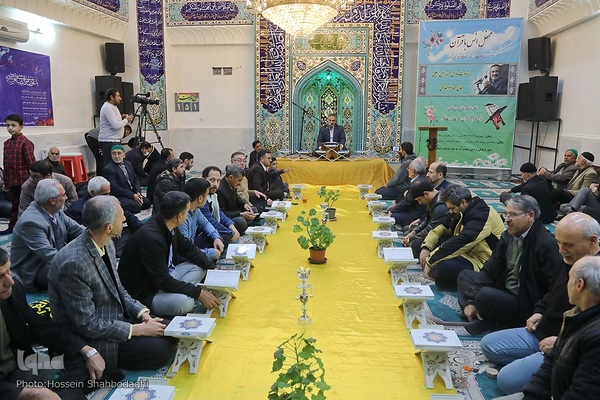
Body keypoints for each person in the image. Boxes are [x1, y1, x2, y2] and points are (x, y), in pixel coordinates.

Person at [48, 195, 176, 371]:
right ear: (109, 227)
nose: (125, 220)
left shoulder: (106, 243)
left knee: (172, 331)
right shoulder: (74, 264)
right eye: (121, 217)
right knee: (161, 350)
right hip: (91, 337)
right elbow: (86, 324)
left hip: (115, 316)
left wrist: (143, 314)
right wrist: (137, 330)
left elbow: (118, 288)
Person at [481, 212, 600, 395]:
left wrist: (560, 343)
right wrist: (540, 311)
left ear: (592, 241)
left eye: (568, 244)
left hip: (566, 346)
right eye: (558, 243)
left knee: (506, 380)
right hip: (543, 331)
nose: (560, 250)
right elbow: (552, 291)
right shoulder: (570, 259)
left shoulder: (594, 273)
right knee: (488, 345)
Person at [0, 248, 113, 399]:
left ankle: (61, 392)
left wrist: (86, 350)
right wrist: (26, 393)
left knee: (85, 360)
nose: (10, 281)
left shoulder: (13, 291)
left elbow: (40, 326)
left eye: (9, 271)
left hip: (21, 367)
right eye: (0, 276)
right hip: (5, 386)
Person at [457, 195, 562, 335]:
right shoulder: (508, 236)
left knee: (484, 295)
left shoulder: (545, 243)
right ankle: (484, 316)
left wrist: (540, 311)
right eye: (505, 214)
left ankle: (490, 320)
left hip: (525, 301)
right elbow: (490, 269)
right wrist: (470, 301)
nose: (506, 219)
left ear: (530, 216)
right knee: (465, 276)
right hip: (504, 289)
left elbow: (555, 287)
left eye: (512, 215)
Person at [119, 191, 221, 317]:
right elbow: (163, 281)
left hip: (161, 279)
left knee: (199, 267)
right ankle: (174, 297)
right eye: (187, 212)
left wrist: (213, 269)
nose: (189, 214)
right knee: (185, 303)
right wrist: (197, 293)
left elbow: (189, 249)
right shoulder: (152, 239)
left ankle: (177, 293)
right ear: (179, 216)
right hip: (145, 292)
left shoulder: (166, 224)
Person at [518, 256, 600, 399]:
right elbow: (550, 363)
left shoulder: (595, 337)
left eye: (569, 279)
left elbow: (581, 394)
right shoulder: (576, 316)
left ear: (579, 285)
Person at [420, 184, 504, 290]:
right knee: (421, 244)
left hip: (482, 261)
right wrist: (426, 247)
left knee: (444, 268)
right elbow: (441, 227)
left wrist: (430, 260)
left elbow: (461, 242)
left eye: (452, 208)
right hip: (465, 253)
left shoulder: (482, 215)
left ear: (463, 202)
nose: (451, 212)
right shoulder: (462, 211)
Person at [10, 179, 85, 292]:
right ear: (52, 200)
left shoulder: (57, 211)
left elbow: (78, 229)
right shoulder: (31, 222)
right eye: (63, 195)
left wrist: (97, 235)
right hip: (35, 270)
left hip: (50, 261)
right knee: (77, 274)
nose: (66, 198)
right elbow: (49, 254)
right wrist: (79, 262)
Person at [65, 176, 143, 257]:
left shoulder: (106, 200)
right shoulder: (77, 209)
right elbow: (88, 233)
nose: (108, 196)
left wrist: (143, 229)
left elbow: (127, 215)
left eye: (109, 193)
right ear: (93, 193)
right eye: (105, 194)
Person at [2, 114, 35, 235]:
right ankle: (12, 227)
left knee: (25, 206)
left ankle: (26, 228)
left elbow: (31, 164)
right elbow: (6, 164)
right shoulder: (7, 143)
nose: (10, 128)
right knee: (14, 205)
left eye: (13, 125)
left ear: (21, 127)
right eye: (8, 125)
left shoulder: (26, 143)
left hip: (24, 182)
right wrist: (6, 182)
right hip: (12, 181)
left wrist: (34, 181)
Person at [401, 180, 451, 258]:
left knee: (415, 243)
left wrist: (411, 238)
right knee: (408, 230)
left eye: (419, 199)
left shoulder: (441, 207)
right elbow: (427, 220)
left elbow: (431, 229)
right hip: (433, 230)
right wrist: (414, 232)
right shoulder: (434, 199)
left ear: (426, 194)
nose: (420, 203)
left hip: (443, 236)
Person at [180, 178, 225, 260]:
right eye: (207, 195)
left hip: (192, 246)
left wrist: (216, 238)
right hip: (182, 258)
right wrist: (210, 253)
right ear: (200, 198)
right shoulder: (182, 218)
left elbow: (205, 224)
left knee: (218, 238)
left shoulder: (196, 210)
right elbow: (185, 251)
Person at [102, 144, 150, 214]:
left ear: (124, 155)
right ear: (111, 156)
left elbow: (135, 179)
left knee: (147, 203)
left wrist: (138, 193)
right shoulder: (108, 169)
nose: (116, 156)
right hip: (121, 195)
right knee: (136, 207)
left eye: (119, 153)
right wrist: (132, 196)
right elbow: (114, 188)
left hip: (133, 192)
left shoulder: (128, 164)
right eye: (114, 154)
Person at [201, 166, 241, 244]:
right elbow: (209, 220)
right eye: (212, 180)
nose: (215, 184)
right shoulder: (201, 198)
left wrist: (231, 225)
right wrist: (229, 232)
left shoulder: (213, 195)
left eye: (218, 180)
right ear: (203, 180)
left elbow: (219, 213)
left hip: (213, 226)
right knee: (225, 237)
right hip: (201, 232)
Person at [387, 158, 428, 228]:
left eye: (409, 168)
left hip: (414, 213)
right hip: (410, 209)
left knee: (393, 215)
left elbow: (408, 201)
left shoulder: (419, 183)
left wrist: (393, 211)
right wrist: (396, 203)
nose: (407, 170)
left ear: (413, 171)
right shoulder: (417, 179)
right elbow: (404, 193)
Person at [98, 88, 133, 167]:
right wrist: (126, 120)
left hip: (114, 140)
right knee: (110, 165)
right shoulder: (107, 107)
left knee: (117, 165)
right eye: (118, 96)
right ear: (111, 97)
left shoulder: (113, 107)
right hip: (109, 141)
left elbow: (114, 120)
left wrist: (122, 117)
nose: (120, 98)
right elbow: (115, 125)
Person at [218, 165, 256, 234]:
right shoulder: (220, 190)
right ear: (231, 177)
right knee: (241, 221)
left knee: (253, 210)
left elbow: (237, 197)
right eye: (239, 180)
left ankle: (247, 225)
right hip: (229, 216)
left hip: (236, 210)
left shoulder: (232, 183)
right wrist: (241, 214)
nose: (240, 183)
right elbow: (223, 213)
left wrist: (244, 204)